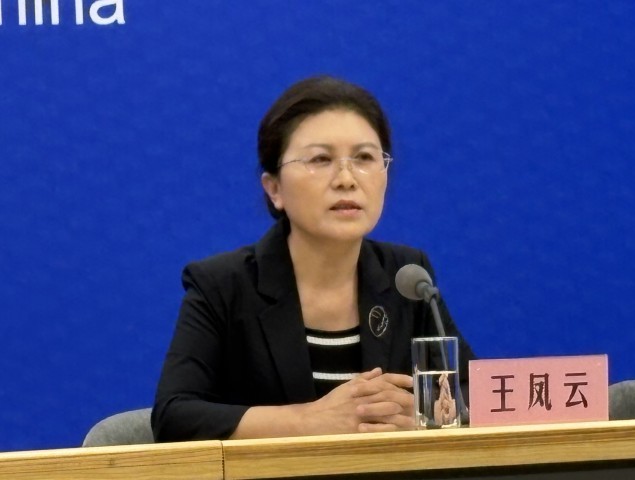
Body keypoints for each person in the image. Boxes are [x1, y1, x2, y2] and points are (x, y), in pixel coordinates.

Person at [152, 76, 475, 442]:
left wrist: (422, 414)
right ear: (274, 189)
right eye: (321, 159)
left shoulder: (407, 277)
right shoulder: (223, 286)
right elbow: (174, 415)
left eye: (365, 158)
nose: (346, 179)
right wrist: (307, 421)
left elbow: (477, 394)